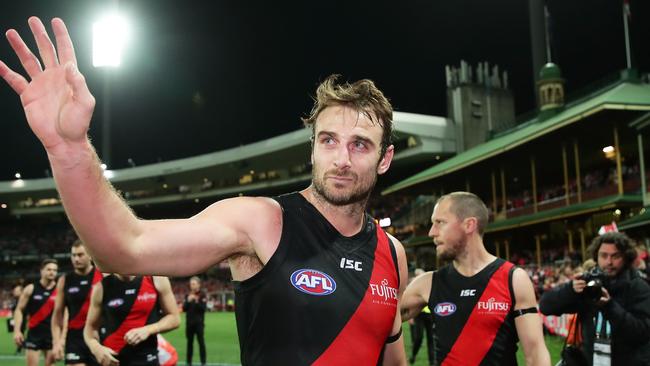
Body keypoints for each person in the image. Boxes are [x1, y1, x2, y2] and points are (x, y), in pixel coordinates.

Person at [0, 16, 408, 365]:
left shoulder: (392, 254)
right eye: (328, 140)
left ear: (384, 159)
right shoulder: (262, 221)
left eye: (360, 145)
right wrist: (68, 149)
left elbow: (391, 358)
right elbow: (123, 246)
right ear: (314, 147)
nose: (341, 159)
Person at [400, 192, 551, 366]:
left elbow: (535, 353)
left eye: (439, 223)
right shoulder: (428, 283)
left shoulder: (513, 279)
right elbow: (379, 319)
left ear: (469, 225)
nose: (431, 232)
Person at [539, 232, 650, 365]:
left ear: (626, 258)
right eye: (604, 256)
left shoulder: (638, 286)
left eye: (615, 256)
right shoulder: (588, 283)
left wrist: (610, 307)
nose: (609, 262)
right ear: (596, 257)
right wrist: (570, 290)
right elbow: (546, 307)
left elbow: (642, 333)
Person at [83, 274, 180, 366]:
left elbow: (174, 318)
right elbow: (90, 329)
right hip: (113, 360)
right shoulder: (101, 287)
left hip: (147, 359)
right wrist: (96, 348)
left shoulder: (155, 279)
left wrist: (148, 330)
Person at [51, 240, 103, 366]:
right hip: (75, 339)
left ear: (90, 255)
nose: (76, 259)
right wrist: (57, 342)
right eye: (73, 255)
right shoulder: (65, 280)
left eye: (80, 255)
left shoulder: (102, 276)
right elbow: (58, 315)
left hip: (99, 337)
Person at [13, 259, 59, 366]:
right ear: (41, 271)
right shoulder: (30, 289)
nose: (52, 272)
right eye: (48, 269)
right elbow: (19, 310)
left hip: (52, 336)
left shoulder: (60, 290)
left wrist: (61, 338)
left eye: (54, 270)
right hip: (34, 335)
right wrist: (17, 331)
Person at [408, 269, 434, 365]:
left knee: (431, 339)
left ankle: (432, 362)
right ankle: (413, 355)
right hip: (418, 315)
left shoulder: (430, 284)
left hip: (430, 315)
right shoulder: (414, 286)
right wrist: (410, 317)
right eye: (417, 275)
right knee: (418, 338)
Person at [183, 276, 207, 366]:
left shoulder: (202, 295)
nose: (192, 286)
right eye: (191, 284)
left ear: (198, 285)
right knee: (189, 343)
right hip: (189, 324)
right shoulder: (187, 295)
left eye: (193, 284)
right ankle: (189, 362)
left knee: (201, 343)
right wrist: (188, 301)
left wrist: (196, 301)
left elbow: (203, 309)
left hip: (199, 324)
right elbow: (184, 309)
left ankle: (203, 362)